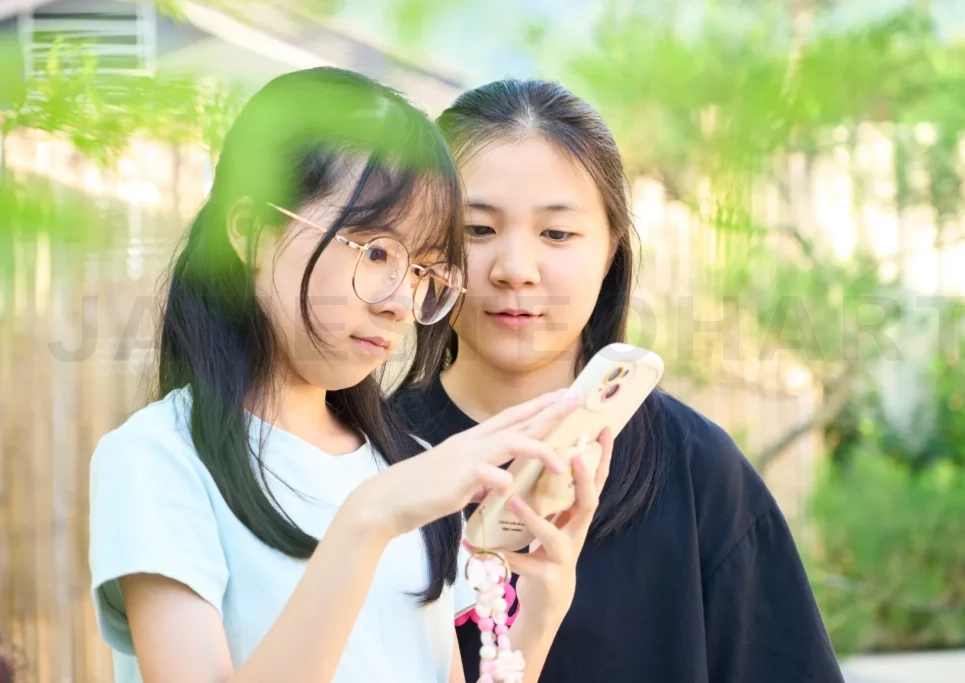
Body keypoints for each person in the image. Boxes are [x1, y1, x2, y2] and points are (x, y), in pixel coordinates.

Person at [88, 67, 609, 683]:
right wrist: (369, 519)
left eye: (424, 271)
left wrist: (543, 609)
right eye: (377, 251)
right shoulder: (158, 458)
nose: (401, 301)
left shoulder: (408, 465)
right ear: (250, 231)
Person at [390, 79, 847, 683]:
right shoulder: (368, 460)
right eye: (477, 229)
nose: (515, 270)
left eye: (557, 234)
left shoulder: (697, 469)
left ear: (611, 250)